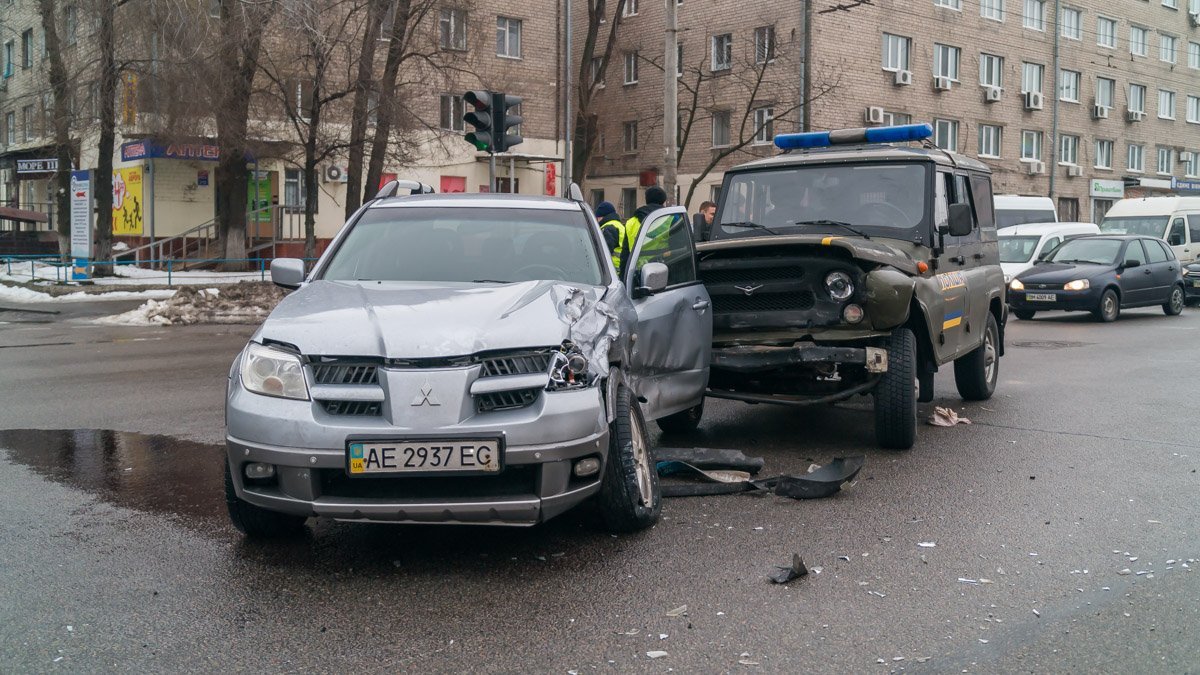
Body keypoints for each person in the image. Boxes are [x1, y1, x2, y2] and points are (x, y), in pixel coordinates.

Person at [619, 186, 668, 274]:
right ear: (663, 201)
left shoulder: (631, 222)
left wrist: (624, 277)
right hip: (664, 271)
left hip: (637, 273)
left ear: (646, 200)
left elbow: (625, 256)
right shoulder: (670, 219)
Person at [595, 201, 625, 270]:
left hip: (613, 269)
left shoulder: (608, 228)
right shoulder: (619, 226)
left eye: (597, 217)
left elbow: (604, 252)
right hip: (621, 268)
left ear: (601, 217)